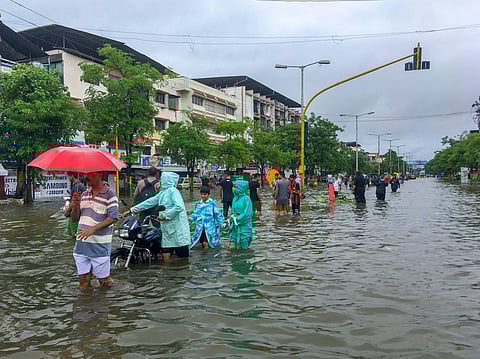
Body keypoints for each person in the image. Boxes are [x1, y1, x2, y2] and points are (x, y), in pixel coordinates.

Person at [128, 172, 191, 263]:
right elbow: (150, 202)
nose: (161, 181)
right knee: (165, 252)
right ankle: (168, 274)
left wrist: (165, 215)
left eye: (162, 179)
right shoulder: (163, 192)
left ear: (167, 180)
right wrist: (132, 209)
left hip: (178, 229)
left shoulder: (173, 191)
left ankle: (181, 274)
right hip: (167, 228)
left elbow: (179, 207)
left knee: (183, 257)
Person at [70, 171, 118, 289]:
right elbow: (75, 219)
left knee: (104, 282)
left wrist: (92, 229)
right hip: (81, 246)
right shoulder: (84, 194)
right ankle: (86, 306)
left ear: (100, 175)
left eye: (91, 174)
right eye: (87, 174)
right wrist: (76, 205)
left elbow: (113, 217)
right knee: (83, 282)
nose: (87, 177)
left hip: (99, 247)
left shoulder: (110, 194)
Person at [228, 180, 253, 249]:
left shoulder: (247, 199)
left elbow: (247, 214)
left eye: (235, 187)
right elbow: (233, 211)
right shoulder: (235, 198)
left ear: (240, 188)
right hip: (234, 227)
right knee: (232, 246)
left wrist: (237, 219)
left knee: (244, 247)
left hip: (244, 227)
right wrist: (231, 218)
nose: (233, 188)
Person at [64, 172, 87, 238]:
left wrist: (67, 212)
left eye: (68, 176)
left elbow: (74, 202)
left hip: (76, 215)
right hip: (78, 214)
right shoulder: (80, 185)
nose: (68, 178)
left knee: (75, 236)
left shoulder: (77, 187)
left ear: (72, 176)